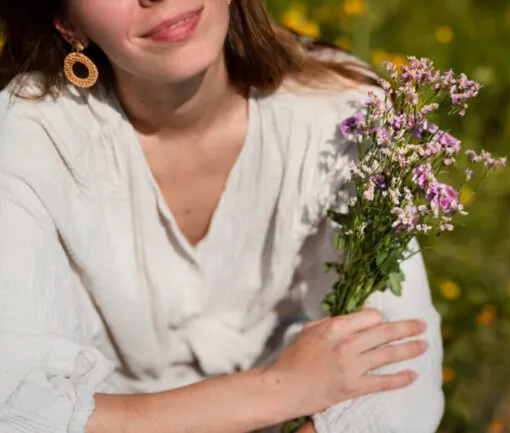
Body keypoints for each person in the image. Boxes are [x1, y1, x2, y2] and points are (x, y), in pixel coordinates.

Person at [0, 1, 444, 432]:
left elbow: (400, 367)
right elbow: (16, 411)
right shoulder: (27, 140)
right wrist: (280, 388)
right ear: (66, 23)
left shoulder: (343, 113)